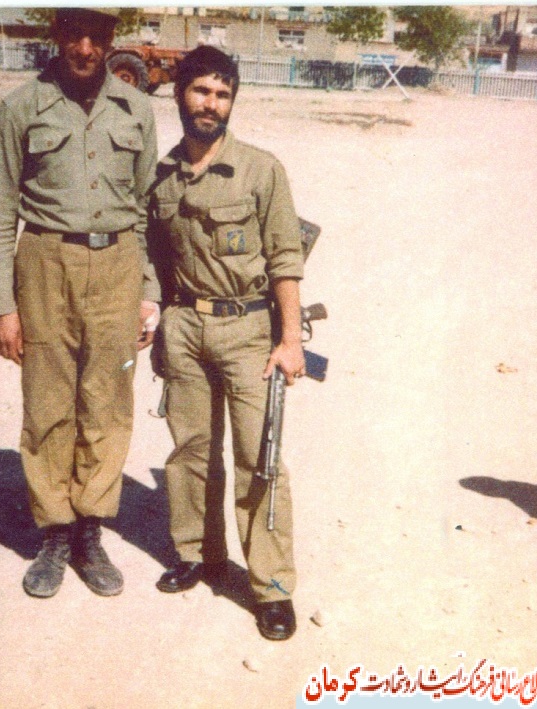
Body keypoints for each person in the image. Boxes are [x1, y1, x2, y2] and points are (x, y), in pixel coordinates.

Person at [0, 7, 160, 599]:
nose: (85, 48)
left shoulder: (137, 108)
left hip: (117, 264)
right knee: (48, 400)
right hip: (45, 262)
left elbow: (147, 210)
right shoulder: (21, 107)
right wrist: (3, 306)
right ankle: (55, 532)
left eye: (97, 36)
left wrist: (149, 291)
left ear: (111, 40)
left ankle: (90, 529)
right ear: (57, 35)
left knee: (107, 401)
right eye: (75, 34)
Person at [146, 46, 306, 640]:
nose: (211, 104)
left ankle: (271, 585)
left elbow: (286, 259)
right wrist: (155, 312)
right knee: (191, 450)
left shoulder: (261, 170)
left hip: (247, 332)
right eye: (201, 91)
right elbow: (153, 256)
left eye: (222, 94)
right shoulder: (161, 175)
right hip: (185, 326)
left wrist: (289, 340)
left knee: (259, 456)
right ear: (179, 94)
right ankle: (198, 554)